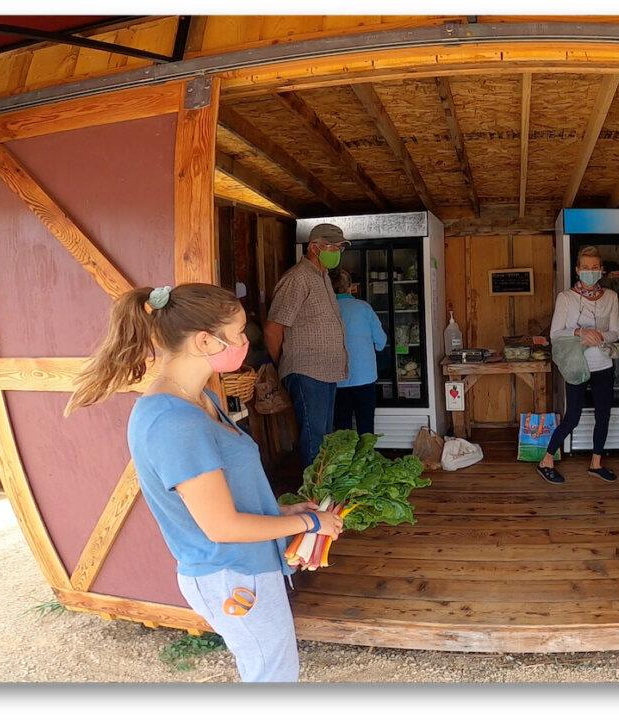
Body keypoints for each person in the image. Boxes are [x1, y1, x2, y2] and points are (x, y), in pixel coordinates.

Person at [65, 283, 343, 682]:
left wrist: (282, 511)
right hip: (231, 575)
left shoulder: (200, 400)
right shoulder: (174, 421)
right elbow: (221, 527)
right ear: (204, 341)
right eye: (239, 333)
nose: (246, 341)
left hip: (245, 567)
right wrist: (313, 524)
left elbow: (217, 502)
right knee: (273, 677)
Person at [264, 224, 349, 466]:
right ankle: (313, 498)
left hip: (326, 371)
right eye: (333, 246)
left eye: (340, 247)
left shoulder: (321, 277)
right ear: (314, 247)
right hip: (307, 371)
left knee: (325, 434)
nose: (337, 251)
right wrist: (286, 364)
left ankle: (323, 490)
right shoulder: (297, 279)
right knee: (315, 436)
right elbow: (273, 329)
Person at [537, 245, 619, 485]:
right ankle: (546, 460)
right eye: (586, 267)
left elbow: (615, 331)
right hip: (575, 365)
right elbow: (555, 333)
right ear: (577, 270)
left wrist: (600, 336)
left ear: (601, 270)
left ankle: (596, 463)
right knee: (572, 416)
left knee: (603, 415)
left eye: (595, 268)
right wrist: (579, 331)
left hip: (603, 364)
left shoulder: (611, 298)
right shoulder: (565, 298)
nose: (590, 272)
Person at [330, 268, 387, 435]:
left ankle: (345, 460)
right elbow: (381, 342)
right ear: (350, 287)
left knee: (342, 429)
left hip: (337, 380)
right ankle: (366, 457)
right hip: (365, 377)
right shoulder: (363, 308)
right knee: (366, 428)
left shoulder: (327, 311)